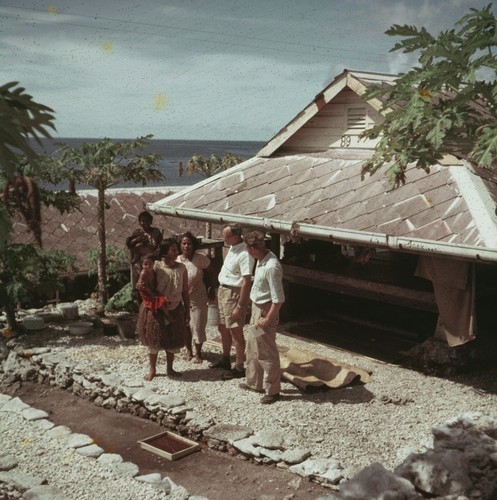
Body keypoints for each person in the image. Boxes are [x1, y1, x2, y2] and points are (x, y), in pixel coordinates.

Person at [239, 230, 285, 405]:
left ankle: (272, 390)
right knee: (253, 346)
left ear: (252, 249)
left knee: (266, 352)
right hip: (257, 307)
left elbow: (278, 299)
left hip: (266, 311)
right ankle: (254, 382)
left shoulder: (272, 267)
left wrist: (267, 319)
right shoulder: (260, 261)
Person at [136, 237, 189, 380]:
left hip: (175, 306)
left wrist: (187, 311)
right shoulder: (157, 266)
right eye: (173, 249)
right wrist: (141, 284)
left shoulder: (182, 268)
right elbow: (145, 278)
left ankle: (170, 368)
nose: (176, 251)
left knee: (172, 339)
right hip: (156, 307)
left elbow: (184, 290)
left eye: (176, 249)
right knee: (154, 339)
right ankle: (152, 369)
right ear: (165, 251)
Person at [209, 223, 254, 379]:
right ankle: (226, 358)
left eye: (225, 235)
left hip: (233, 293)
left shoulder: (245, 253)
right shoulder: (232, 248)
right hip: (223, 290)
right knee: (223, 327)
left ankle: (239, 366)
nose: (223, 237)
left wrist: (241, 305)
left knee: (236, 330)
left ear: (235, 237)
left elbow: (247, 281)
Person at [177, 232, 217, 363]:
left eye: (189, 243)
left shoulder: (200, 258)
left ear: (193, 245)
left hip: (198, 296)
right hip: (182, 298)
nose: (187, 246)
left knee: (198, 325)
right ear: (180, 245)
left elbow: (212, 271)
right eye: (184, 243)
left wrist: (212, 288)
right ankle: (189, 351)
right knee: (185, 325)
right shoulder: (177, 260)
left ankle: (198, 353)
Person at [126, 210, 163, 288]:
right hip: (141, 262)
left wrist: (151, 254)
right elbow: (132, 246)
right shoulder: (137, 232)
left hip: (154, 260)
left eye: (147, 221)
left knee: (155, 283)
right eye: (143, 221)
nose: (145, 223)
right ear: (139, 222)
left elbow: (161, 245)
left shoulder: (156, 232)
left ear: (151, 221)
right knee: (143, 284)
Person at [135, 254, 174, 325]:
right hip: (146, 292)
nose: (148, 266)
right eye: (145, 264)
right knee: (160, 303)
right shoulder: (143, 273)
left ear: (153, 264)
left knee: (164, 299)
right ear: (142, 265)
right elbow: (144, 287)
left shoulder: (153, 271)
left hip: (151, 290)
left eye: (150, 264)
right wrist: (152, 294)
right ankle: (168, 315)